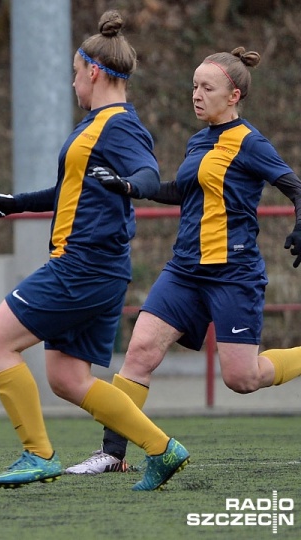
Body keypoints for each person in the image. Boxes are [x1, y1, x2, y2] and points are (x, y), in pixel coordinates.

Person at [0, 10, 189, 491]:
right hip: (100, 269)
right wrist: (16, 204)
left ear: (94, 71)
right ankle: (163, 449)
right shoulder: (93, 127)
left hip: (83, 265)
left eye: (75, 74)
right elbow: (70, 191)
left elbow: (149, 176)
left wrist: (129, 186)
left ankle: (37, 454)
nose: (73, 84)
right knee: (67, 378)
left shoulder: (118, 126)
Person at [66, 47, 301, 475]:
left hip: (234, 273)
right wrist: (129, 187)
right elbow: (180, 191)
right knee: (139, 352)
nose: (196, 94)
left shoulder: (250, 142)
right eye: (194, 85)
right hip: (185, 271)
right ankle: (113, 453)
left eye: (206, 87)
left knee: (242, 379)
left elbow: (295, 187)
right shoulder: (199, 140)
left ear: (233, 96)